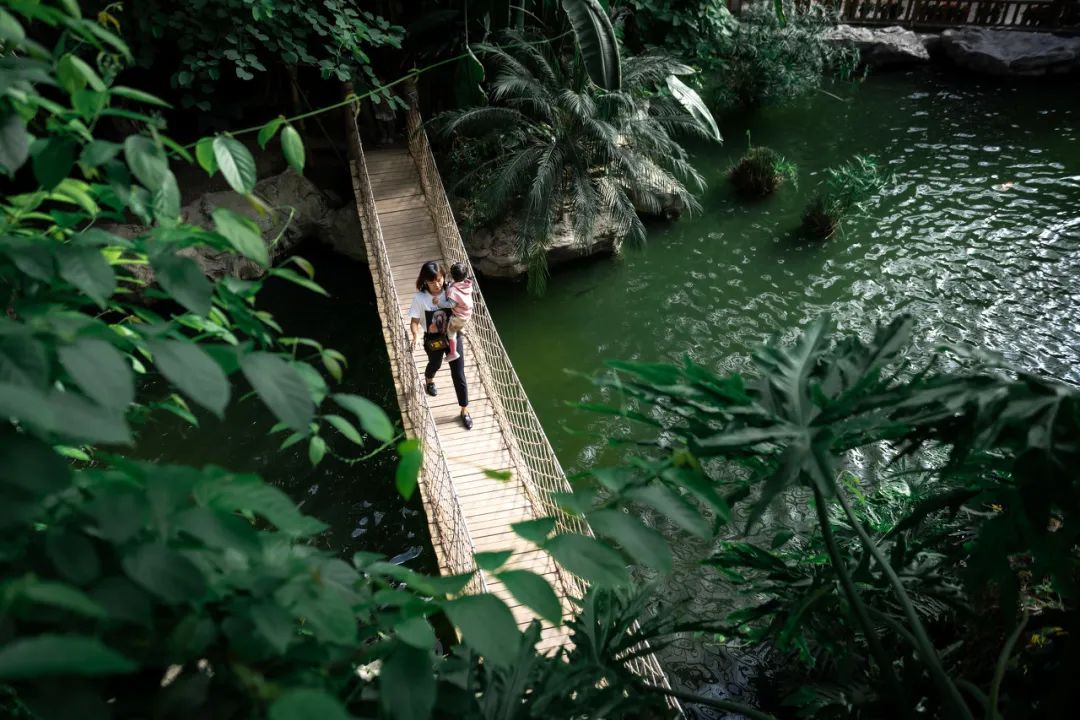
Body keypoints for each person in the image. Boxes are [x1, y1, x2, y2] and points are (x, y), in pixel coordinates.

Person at [409, 260, 472, 430]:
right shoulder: (420, 298)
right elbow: (414, 321)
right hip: (433, 340)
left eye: (440, 279)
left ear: (444, 276)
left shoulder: (452, 290)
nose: (437, 285)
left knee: (458, 373)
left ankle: (464, 409)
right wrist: (414, 335)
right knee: (434, 364)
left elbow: (466, 296)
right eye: (432, 281)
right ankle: (429, 380)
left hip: (453, 336)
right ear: (425, 281)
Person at [437, 262, 474, 362]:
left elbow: (451, 304)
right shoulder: (467, 284)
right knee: (458, 325)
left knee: (451, 332)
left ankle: (453, 353)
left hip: (459, 317)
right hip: (468, 313)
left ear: (452, 275)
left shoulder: (453, 291)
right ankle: (460, 329)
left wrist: (440, 303)